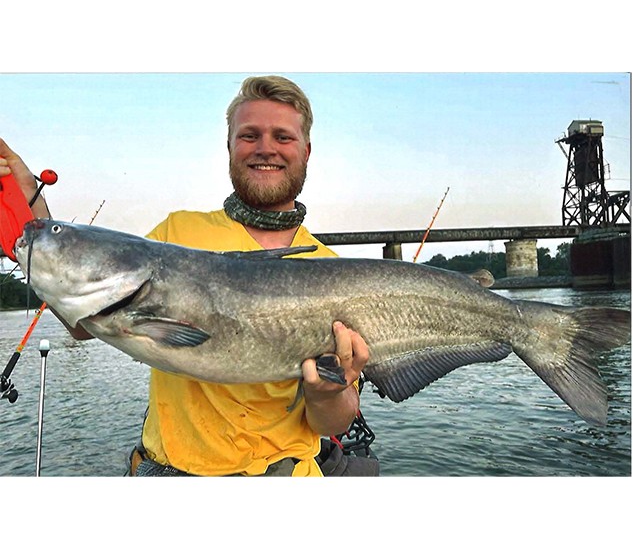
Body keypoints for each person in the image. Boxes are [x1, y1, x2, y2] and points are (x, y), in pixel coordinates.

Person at [0, 75, 372, 477]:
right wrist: (31, 215)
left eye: (282, 137)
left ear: (306, 150)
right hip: (167, 470)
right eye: (249, 135)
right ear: (230, 146)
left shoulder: (336, 273)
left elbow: (332, 424)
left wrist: (327, 392)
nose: (266, 148)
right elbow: (84, 318)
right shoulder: (176, 233)